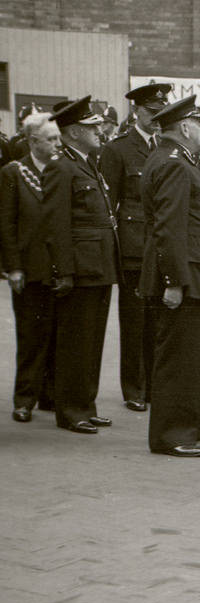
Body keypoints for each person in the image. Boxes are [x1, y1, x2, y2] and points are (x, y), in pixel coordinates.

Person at [140, 95, 200, 457]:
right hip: (185, 278)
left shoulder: (174, 159)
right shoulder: (175, 164)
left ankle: (192, 423)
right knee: (179, 358)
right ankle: (172, 434)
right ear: (186, 127)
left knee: (191, 357)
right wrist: (173, 282)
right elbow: (170, 228)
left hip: (194, 275)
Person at [42, 96, 119, 434]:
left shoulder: (87, 163)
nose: (98, 130)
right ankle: (71, 410)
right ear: (73, 132)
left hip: (98, 266)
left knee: (92, 342)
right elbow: (56, 224)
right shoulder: (61, 167)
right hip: (80, 268)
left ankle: (85, 404)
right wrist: (64, 271)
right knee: (76, 342)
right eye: (91, 127)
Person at [99, 82, 170, 413]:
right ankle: (134, 388)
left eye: (160, 114)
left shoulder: (164, 147)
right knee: (134, 321)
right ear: (136, 112)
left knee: (156, 321)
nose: (156, 120)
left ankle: (154, 386)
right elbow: (107, 206)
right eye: (150, 113)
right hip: (132, 249)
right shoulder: (118, 150)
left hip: (158, 246)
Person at [0, 112, 61, 422]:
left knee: (55, 335)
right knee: (30, 335)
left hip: (58, 268)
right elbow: (7, 225)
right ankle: (24, 398)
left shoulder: (61, 170)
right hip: (29, 268)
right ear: (33, 141)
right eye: (50, 139)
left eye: (58, 138)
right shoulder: (14, 173)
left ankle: (49, 395)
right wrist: (13, 268)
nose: (56, 144)